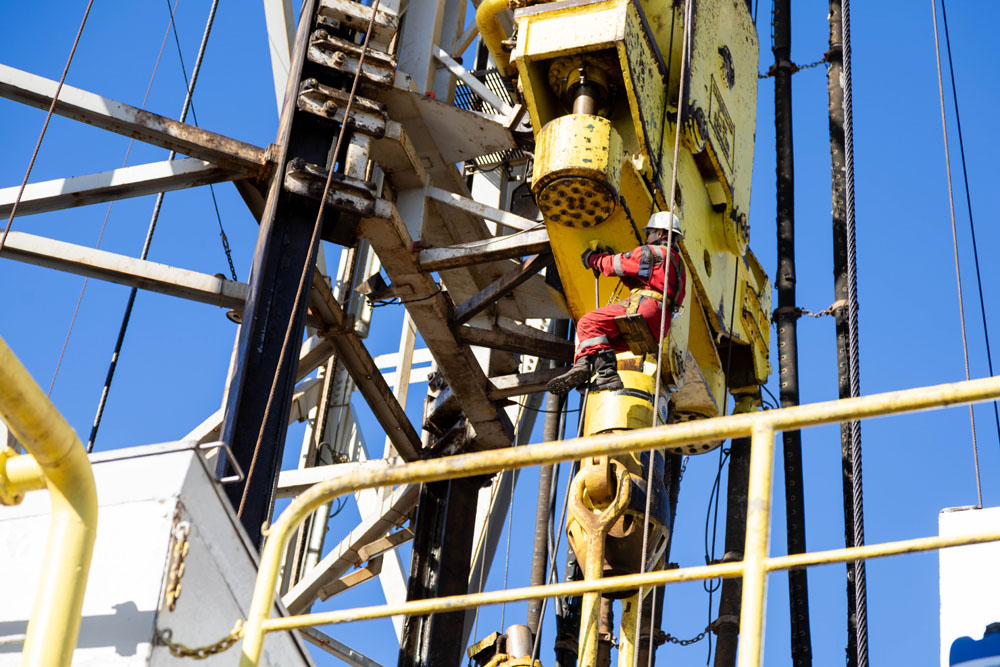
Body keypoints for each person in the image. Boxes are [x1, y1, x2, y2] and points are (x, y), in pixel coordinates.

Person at [547, 211, 687, 395]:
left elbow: (614, 265)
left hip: (646, 307)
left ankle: (606, 374)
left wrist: (593, 259)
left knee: (588, 323)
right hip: (660, 324)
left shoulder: (652, 253)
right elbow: (649, 283)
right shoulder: (679, 266)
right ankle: (585, 366)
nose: (648, 237)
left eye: (650, 232)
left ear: (661, 234)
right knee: (603, 342)